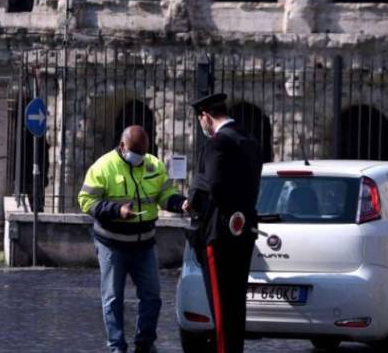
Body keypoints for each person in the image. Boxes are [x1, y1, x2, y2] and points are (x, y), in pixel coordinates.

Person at [78, 125, 188, 353]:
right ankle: (117, 347)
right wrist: (116, 210)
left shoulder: (153, 164)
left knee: (152, 297)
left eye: (143, 152)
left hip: (144, 245)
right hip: (112, 244)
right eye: (134, 151)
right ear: (122, 146)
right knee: (113, 300)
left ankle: (145, 343)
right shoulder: (103, 167)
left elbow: (164, 195)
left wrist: (180, 204)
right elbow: (86, 200)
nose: (139, 157)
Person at [186, 93, 263, 353]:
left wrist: (194, 203)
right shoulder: (249, 140)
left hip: (218, 231)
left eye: (201, 121)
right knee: (235, 305)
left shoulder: (217, 143)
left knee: (220, 307)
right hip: (242, 229)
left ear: (206, 117)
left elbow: (214, 186)